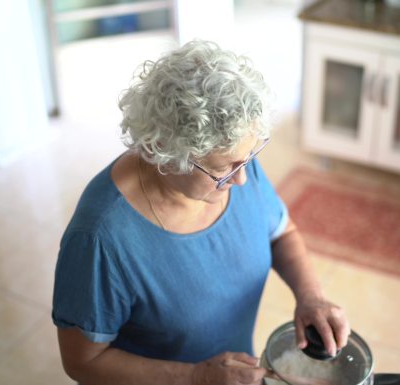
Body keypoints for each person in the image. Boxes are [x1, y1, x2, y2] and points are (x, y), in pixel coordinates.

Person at [52, 40, 349, 385]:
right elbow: (82, 362)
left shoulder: (236, 163)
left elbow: (280, 232)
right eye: (224, 169)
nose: (242, 178)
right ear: (162, 150)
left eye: (248, 158)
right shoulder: (100, 239)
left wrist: (311, 296)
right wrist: (195, 377)